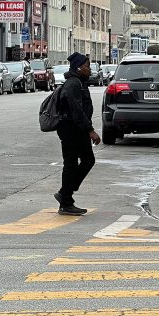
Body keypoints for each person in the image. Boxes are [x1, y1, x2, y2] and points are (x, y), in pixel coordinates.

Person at [54, 52, 100, 216]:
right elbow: (76, 110)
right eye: (87, 66)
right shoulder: (73, 84)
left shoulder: (79, 82)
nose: (89, 69)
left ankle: (65, 193)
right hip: (71, 129)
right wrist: (90, 130)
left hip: (77, 129)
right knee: (72, 163)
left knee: (85, 160)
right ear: (79, 68)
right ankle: (65, 200)